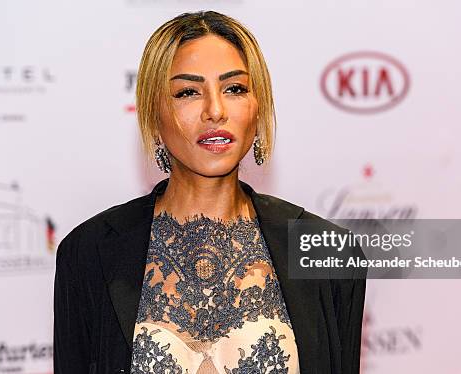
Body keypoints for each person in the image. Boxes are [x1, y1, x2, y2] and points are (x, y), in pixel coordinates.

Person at [53, 10, 367, 374]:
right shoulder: (88, 252)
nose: (215, 111)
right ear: (153, 114)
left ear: (258, 105)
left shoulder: (328, 252)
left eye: (234, 88)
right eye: (187, 92)